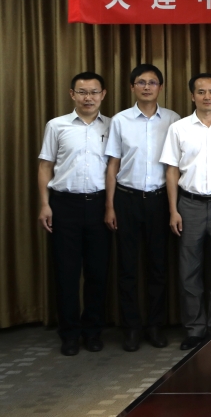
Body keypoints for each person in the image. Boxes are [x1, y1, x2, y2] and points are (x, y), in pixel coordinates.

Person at [160, 72, 211, 351]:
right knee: (189, 271)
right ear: (192, 96)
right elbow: (171, 171)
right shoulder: (179, 128)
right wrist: (173, 210)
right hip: (189, 205)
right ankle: (194, 329)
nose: (207, 96)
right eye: (201, 91)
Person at [104, 64, 180, 352]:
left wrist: (173, 207)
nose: (147, 87)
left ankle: (155, 326)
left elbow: (175, 166)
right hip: (127, 199)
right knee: (127, 267)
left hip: (160, 200)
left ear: (161, 87)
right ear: (132, 87)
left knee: (158, 267)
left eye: (152, 82)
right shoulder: (120, 120)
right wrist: (110, 206)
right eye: (141, 82)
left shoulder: (173, 120)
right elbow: (113, 165)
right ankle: (131, 328)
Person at [38, 72, 110, 357]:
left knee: (97, 273)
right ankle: (69, 334)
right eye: (82, 92)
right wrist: (44, 204)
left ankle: (92, 332)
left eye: (94, 92)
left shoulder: (112, 126)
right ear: (72, 94)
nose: (88, 97)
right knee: (66, 273)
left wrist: (111, 206)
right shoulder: (56, 125)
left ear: (103, 94)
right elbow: (45, 166)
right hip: (64, 205)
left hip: (100, 205)